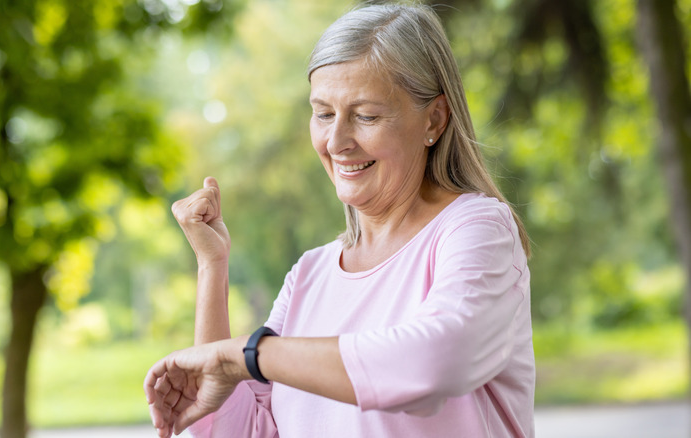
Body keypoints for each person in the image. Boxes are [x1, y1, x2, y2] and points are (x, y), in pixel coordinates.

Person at [144, 3, 534, 437]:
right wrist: (211, 268)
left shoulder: (476, 229)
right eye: (324, 114)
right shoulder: (310, 274)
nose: (336, 142)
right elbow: (243, 431)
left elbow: (435, 361)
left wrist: (246, 355)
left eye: (366, 115)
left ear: (434, 120)